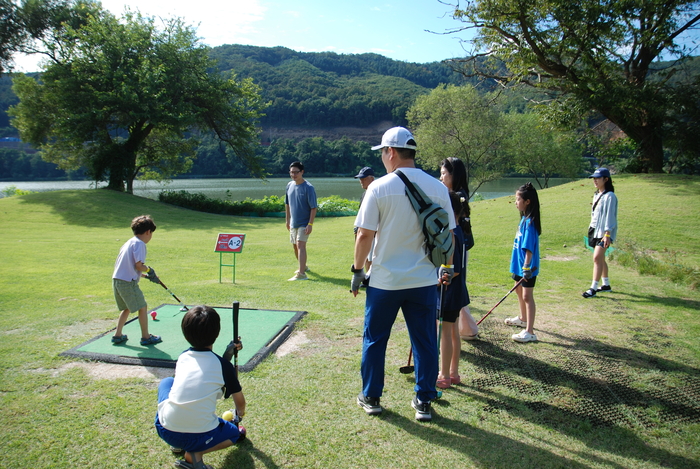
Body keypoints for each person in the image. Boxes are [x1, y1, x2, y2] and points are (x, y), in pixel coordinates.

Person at [350, 126, 455, 422]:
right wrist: (446, 267)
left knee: (375, 339)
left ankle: (371, 396)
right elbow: (450, 236)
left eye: (383, 152)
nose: (383, 158)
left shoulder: (378, 188)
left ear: (391, 152)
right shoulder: (437, 187)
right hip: (423, 281)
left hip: (384, 281)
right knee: (424, 342)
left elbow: (364, 236)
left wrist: (357, 271)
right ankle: (424, 400)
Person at [155, 305, 246, 469]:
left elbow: (205, 372)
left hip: (165, 429)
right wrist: (239, 415)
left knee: (167, 382)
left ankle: (178, 445)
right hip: (201, 435)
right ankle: (195, 454)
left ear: (185, 333)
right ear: (217, 333)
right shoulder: (223, 366)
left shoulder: (183, 357)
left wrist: (227, 355)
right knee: (234, 434)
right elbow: (240, 402)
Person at [439, 158, 479, 340]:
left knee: (454, 288)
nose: (440, 178)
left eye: (443, 174)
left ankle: (469, 329)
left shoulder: (456, 196)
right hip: (459, 246)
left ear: (453, 175)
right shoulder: (458, 193)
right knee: (456, 288)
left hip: (456, 247)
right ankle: (466, 329)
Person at [437, 191, 471, 388]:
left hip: (449, 292)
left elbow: (454, 270)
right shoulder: (459, 230)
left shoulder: (453, 234)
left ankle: (444, 375)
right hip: (456, 292)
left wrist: (438, 280)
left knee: (446, 333)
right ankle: (453, 373)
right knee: (452, 333)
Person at [112, 215, 162, 346]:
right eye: (151, 233)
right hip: (127, 282)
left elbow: (130, 267)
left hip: (118, 280)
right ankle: (146, 337)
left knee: (127, 308)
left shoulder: (129, 242)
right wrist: (149, 270)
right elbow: (139, 266)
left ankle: (118, 335)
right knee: (142, 306)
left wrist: (146, 276)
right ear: (147, 232)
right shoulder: (140, 244)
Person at [504, 183, 541, 343]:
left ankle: (530, 331)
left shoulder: (530, 222)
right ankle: (523, 318)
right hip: (518, 265)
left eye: (518, 199)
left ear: (527, 201)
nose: (515, 202)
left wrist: (526, 267)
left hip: (527, 267)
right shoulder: (524, 219)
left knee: (527, 296)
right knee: (519, 292)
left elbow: (529, 249)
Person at [582, 167, 618, 298]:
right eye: (594, 178)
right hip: (595, 230)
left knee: (597, 257)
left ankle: (593, 288)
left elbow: (610, 216)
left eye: (598, 178)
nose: (595, 181)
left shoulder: (610, 196)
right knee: (600, 258)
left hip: (604, 233)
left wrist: (607, 234)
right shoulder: (597, 194)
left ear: (606, 179)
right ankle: (606, 284)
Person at [285, 161, 317, 281]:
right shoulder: (289, 185)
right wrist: (287, 220)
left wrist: (310, 224)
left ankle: (302, 274)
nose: (294, 175)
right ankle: (303, 266)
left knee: (300, 245)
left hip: (304, 223)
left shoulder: (308, 188)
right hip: (294, 223)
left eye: (296, 172)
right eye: (291, 172)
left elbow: (313, 207)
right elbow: (287, 204)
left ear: (302, 172)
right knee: (295, 246)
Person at [353, 166, 376, 280]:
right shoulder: (364, 195)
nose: (361, 181)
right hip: (362, 230)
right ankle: (367, 277)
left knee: (372, 257)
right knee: (366, 256)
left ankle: (372, 278)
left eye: (363, 178)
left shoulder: (376, 193)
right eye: (360, 178)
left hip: (373, 232)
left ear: (371, 179)